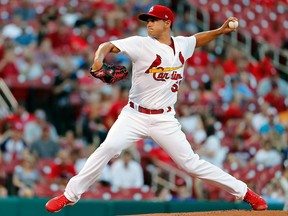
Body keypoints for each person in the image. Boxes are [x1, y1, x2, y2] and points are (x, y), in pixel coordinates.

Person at [46, 5, 267, 212]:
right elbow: (107, 46)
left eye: (154, 20)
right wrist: (97, 59)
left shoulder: (181, 44)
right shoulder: (141, 44)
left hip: (165, 119)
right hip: (134, 115)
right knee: (107, 148)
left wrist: (219, 31)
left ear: (167, 23)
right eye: (147, 20)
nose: (149, 24)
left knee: (190, 164)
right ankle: (70, 195)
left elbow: (196, 40)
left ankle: (245, 193)